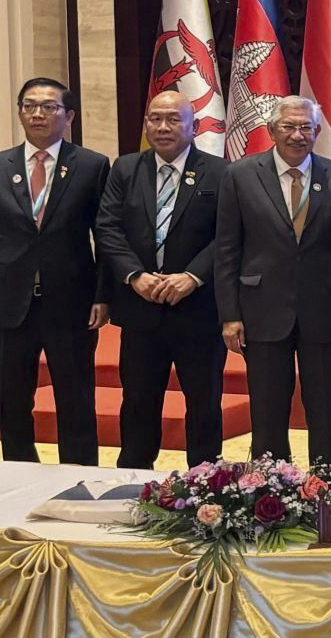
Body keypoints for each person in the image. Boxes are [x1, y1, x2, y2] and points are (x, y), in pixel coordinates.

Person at [0, 77, 110, 464]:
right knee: (13, 403)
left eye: (48, 106)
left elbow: (105, 237)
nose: (38, 114)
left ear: (69, 116)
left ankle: (79, 477)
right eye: (29, 106)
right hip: (9, 304)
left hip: (72, 303)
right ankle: (21, 476)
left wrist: (103, 294)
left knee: (76, 399)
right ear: (20, 113)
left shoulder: (91, 166)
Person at [217, 96, 331, 473]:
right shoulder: (240, 175)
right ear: (271, 131)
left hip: (325, 311)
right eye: (289, 127)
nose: (297, 135)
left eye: (305, 127)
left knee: (327, 411)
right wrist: (230, 315)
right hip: (262, 310)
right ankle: (270, 488)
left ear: (318, 131)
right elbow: (227, 250)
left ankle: (330, 488)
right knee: (267, 411)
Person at [96, 90, 226, 468]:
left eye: (173, 119)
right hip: (141, 308)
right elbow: (107, 228)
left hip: (198, 309)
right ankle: (134, 475)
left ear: (194, 126)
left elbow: (229, 235)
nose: (163, 127)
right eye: (155, 119)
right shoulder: (125, 169)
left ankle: (205, 479)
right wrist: (135, 276)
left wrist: (193, 276)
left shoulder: (221, 172)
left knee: (203, 401)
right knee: (138, 399)